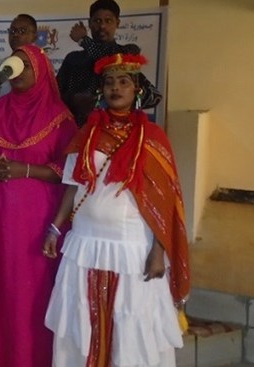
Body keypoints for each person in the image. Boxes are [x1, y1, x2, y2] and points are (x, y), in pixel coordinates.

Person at [44, 53, 190, 367]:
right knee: (81, 322)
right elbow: (72, 186)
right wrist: (55, 228)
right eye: (109, 82)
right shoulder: (87, 133)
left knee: (131, 326)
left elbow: (164, 203)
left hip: (132, 248)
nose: (115, 88)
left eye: (123, 82)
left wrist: (158, 252)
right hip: (85, 244)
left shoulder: (153, 138)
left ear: (137, 88)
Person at [0, 44, 77, 367]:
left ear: (41, 71)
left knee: (27, 296)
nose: (18, 71)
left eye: (26, 65)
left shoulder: (59, 117)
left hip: (35, 225)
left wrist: (24, 170)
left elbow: (68, 172)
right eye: (15, 63)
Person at [56, 0, 161, 126]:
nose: (102, 26)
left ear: (118, 23)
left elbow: (154, 97)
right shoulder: (73, 59)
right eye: (97, 21)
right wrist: (74, 100)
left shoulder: (127, 53)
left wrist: (84, 40)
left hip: (116, 130)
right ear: (89, 23)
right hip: (76, 130)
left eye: (108, 21)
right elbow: (55, 94)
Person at [0, 14, 38, 97]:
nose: (15, 35)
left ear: (35, 37)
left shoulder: (42, 66)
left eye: (22, 31)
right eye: (12, 31)